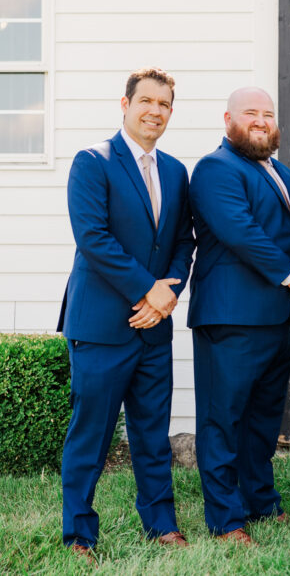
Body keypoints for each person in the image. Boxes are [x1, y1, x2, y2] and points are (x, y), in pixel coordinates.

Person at [58, 67, 194, 560]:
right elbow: (93, 238)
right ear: (125, 103)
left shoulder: (176, 171)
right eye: (147, 101)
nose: (155, 111)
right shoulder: (92, 161)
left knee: (152, 434)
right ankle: (79, 535)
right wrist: (146, 291)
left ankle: (161, 524)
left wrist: (167, 296)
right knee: (90, 437)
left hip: (155, 329)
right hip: (101, 326)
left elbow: (183, 242)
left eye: (165, 104)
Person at [188, 87, 290, 545]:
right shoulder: (215, 169)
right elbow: (240, 232)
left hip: (279, 316)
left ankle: (260, 501)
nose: (261, 121)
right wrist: (289, 273)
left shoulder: (284, 173)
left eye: (267, 114)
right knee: (223, 419)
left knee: (263, 420)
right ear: (228, 119)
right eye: (250, 113)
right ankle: (226, 518)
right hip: (231, 317)